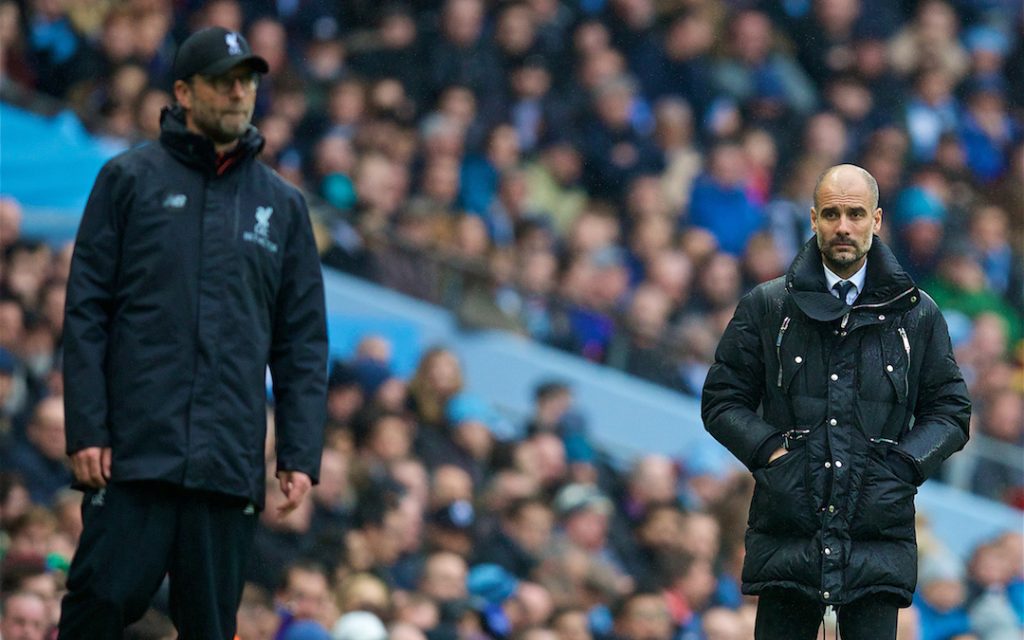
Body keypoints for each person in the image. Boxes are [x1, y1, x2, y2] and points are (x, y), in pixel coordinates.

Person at [58, 26, 328, 638]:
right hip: (132, 453)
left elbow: (302, 341)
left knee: (210, 628)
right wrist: (88, 429)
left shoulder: (282, 207)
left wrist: (299, 452)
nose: (239, 93)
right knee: (97, 604)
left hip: (227, 463)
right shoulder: (128, 180)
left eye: (248, 81)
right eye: (224, 81)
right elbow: (87, 313)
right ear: (184, 91)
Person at [701, 164, 971, 639]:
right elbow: (722, 400)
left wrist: (902, 467)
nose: (842, 226)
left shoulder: (918, 313)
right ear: (812, 219)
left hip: (878, 532)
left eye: (855, 213)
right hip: (789, 527)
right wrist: (773, 456)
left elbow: (950, 411)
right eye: (831, 213)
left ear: (878, 220)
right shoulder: (768, 305)